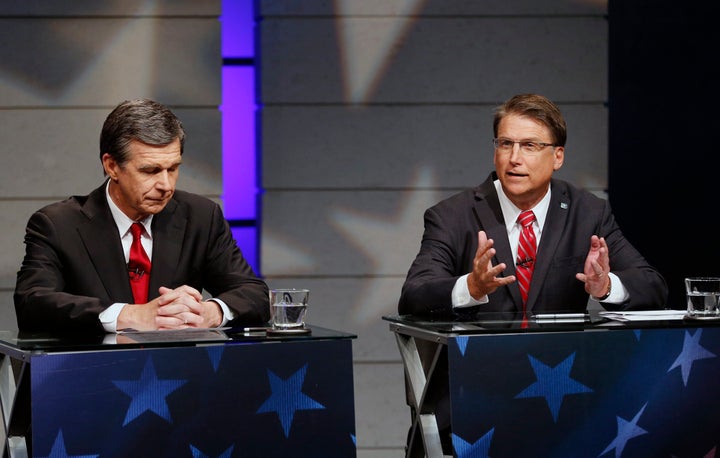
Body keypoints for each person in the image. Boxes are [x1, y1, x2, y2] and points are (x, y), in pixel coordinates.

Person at [397, 93, 668, 453]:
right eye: (505, 143)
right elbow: (414, 293)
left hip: (561, 398)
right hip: (474, 401)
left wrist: (605, 287)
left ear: (557, 156)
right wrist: (472, 287)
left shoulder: (588, 214)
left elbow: (653, 286)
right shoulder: (452, 217)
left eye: (529, 145)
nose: (514, 158)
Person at [14, 98, 269, 334]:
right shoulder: (58, 225)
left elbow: (254, 294)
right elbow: (32, 302)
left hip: (176, 372)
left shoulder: (201, 216)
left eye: (173, 168)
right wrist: (130, 315)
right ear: (112, 166)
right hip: (89, 372)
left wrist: (209, 312)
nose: (166, 185)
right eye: (150, 170)